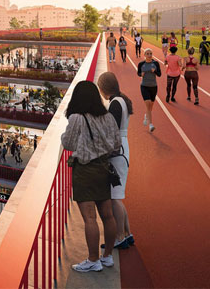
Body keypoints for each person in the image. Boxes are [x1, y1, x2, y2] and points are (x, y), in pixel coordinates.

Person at [61, 81, 120, 272]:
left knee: (89, 218)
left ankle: (93, 259)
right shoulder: (108, 117)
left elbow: (68, 143)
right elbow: (116, 144)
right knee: (108, 215)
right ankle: (108, 256)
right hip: (104, 168)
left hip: (85, 170)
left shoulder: (77, 118)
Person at [97, 72, 134, 250]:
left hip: (118, 151)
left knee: (114, 197)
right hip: (123, 148)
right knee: (118, 196)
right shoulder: (121, 100)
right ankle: (127, 233)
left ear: (103, 88)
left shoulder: (115, 103)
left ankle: (119, 236)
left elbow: (111, 130)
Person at [136, 49, 161, 132]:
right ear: (144, 55)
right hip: (144, 86)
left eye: (150, 53)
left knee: (151, 106)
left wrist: (155, 71)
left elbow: (159, 74)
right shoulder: (141, 64)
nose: (149, 55)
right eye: (147, 54)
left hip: (153, 86)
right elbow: (138, 73)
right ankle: (151, 124)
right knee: (148, 104)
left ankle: (147, 115)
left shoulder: (156, 63)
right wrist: (141, 74)